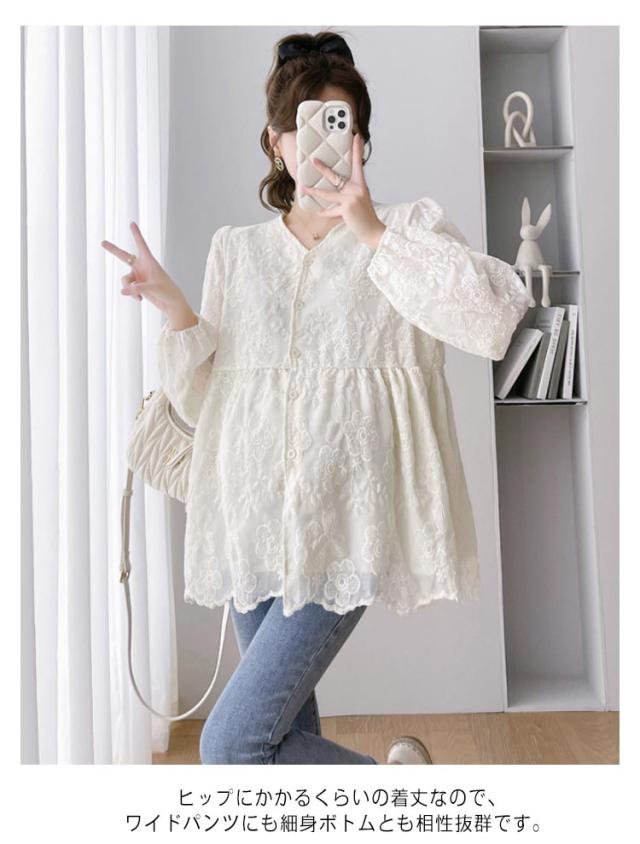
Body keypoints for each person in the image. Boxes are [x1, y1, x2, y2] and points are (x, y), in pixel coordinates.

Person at [101, 31, 531, 765]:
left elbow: (491, 318)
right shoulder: (236, 251)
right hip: (248, 522)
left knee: (232, 746)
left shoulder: (404, 230)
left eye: (341, 124)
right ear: (277, 142)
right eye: (306, 125)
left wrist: (371, 232)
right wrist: (176, 309)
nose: (325, 142)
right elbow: (212, 409)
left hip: (345, 526)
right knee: (277, 742)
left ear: (361, 139)